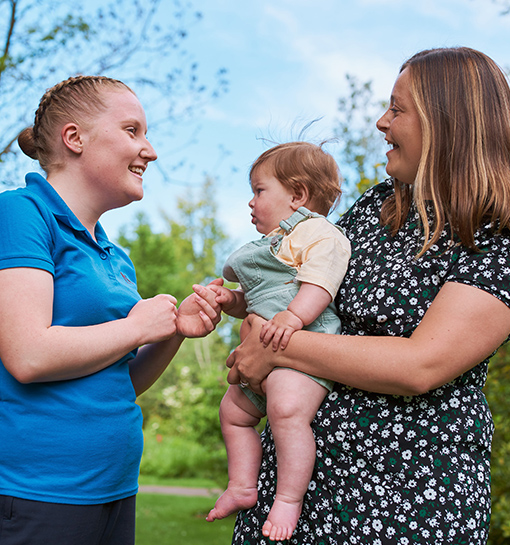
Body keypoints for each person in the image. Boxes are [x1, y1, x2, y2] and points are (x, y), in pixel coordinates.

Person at [222, 47, 510, 544]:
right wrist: (246, 307)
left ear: (447, 122)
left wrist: (270, 345)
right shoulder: (381, 204)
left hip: (406, 499)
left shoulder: (499, 233)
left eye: (397, 109)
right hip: (306, 489)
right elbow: (312, 291)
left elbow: (420, 365)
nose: (381, 122)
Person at [0, 75, 221, 545]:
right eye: (132, 131)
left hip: (114, 489)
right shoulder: (21, 213)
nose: (151, 150)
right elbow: (28, 355)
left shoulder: (115, 258)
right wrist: (136, 327)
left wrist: (172, 333)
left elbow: (122, 380)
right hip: (40, 494)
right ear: (75, 138)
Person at [204, 142, 351, 541]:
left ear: (298, 195)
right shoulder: (270, 245)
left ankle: (287, 499)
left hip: (302, 347)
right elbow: (255, 300)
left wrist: (295, 315)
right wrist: (229, 300)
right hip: (265, 352)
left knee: (286, 412)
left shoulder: (321, 235)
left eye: (259, 190)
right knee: (233, 414)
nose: (250, 202)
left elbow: (320, 282)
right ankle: (242, 485)